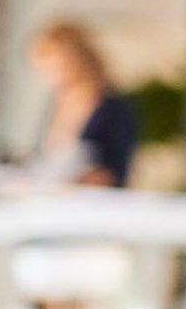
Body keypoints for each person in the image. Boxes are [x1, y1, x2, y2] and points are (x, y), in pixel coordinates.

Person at [24, 20, 139, 187]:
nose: (48, 75)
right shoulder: (54, 104)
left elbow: (116, 175)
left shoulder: (114, 109)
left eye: (54, 66)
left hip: (88, 205)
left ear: (75, 60)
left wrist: (74, 180)